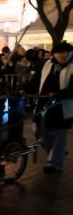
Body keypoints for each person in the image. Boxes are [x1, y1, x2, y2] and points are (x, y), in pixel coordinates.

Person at [32, 41, 73, 174]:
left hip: (63, 106)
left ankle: (54, 163)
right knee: (38, 130)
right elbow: (36, 80)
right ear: (54, 54)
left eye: (67, 52)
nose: (64, 55)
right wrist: (24, 88)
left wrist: (58, 94)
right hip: (44, 103)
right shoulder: (47, 65)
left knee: (59, 135)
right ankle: (58, 153)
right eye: (60, 53)